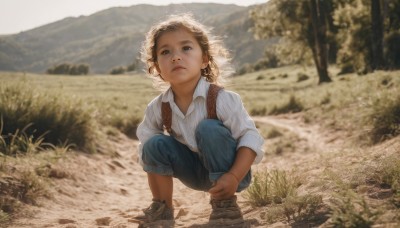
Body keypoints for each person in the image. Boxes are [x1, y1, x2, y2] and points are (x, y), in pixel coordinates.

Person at [135, 14, 264, 223]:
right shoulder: (158, 107)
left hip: (232, 173)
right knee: (153, 143)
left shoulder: (222, 99)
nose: (176, 57)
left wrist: (233, 177)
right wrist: (153, 159)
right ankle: (162, 210)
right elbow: (146, 149)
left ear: (204, 59)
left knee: (209, 128)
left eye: (186, 48)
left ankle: (225, 207)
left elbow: (250, 138)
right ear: (158, 68)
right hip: (193, 172)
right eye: (165, 52)